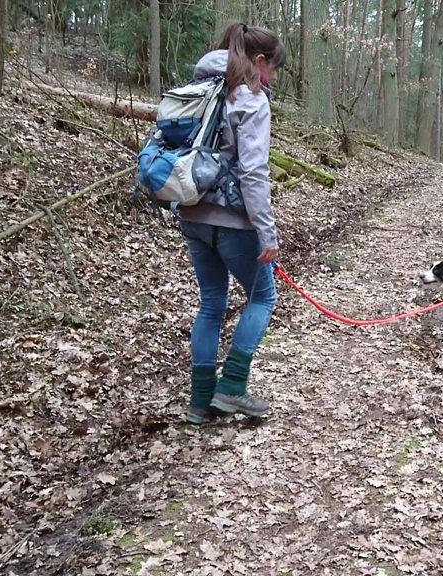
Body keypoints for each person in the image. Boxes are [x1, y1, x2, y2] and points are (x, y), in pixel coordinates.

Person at [177, 23, 285, 424]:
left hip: (191, 213)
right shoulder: (250, 99)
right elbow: (253, 173)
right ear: (259, 62)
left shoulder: (200, 88)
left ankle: (200, 401)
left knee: (211, 305)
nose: (272, 77)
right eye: (272, 68)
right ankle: (233, 388)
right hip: (233, 221)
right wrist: (267, 233)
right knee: (262, 298)